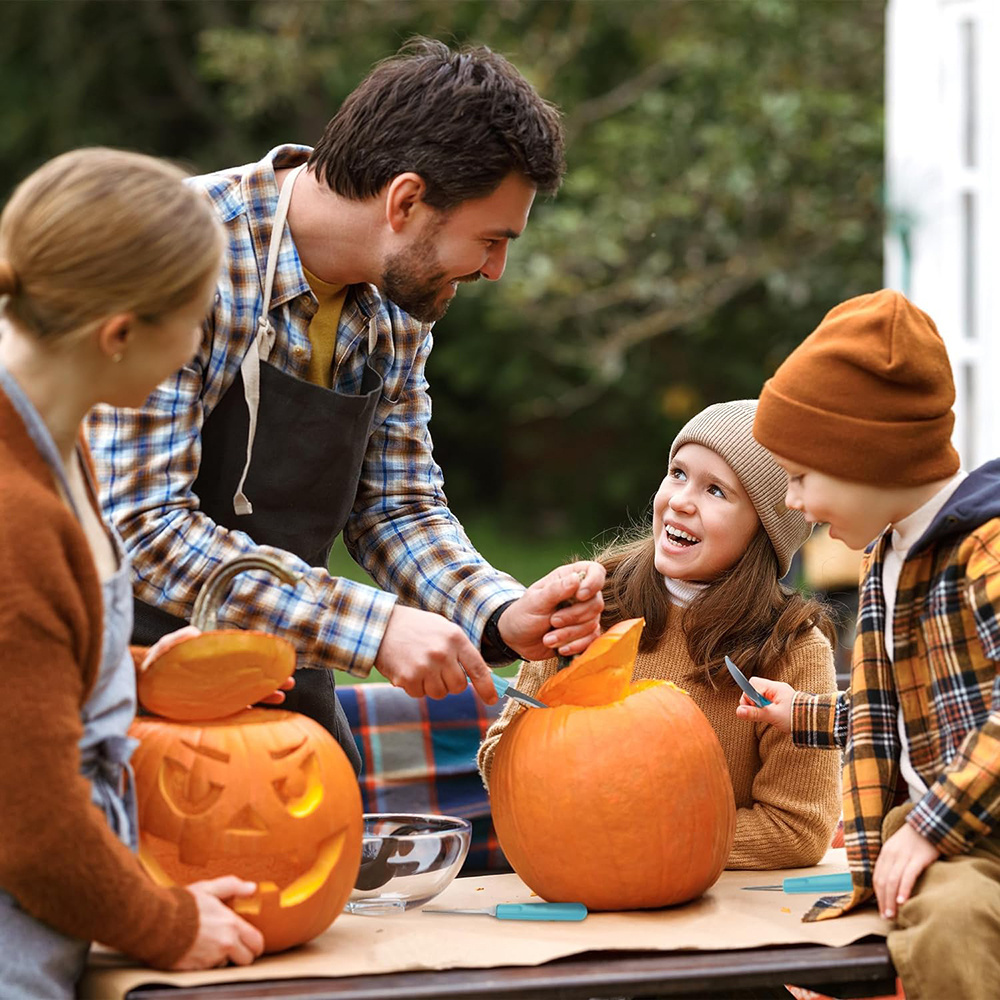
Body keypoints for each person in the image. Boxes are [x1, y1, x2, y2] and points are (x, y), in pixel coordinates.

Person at [85, 37, 604, 771]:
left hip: (283, 667)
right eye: (490, 239)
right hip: (114, 682)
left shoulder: (399, 307)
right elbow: (140, 527)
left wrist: (499, 611)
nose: (496, 269)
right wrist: (375, 626)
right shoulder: (172, 253)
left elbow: (397, 505)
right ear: (406, 200)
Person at [0, 148, 271, 997]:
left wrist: (138, 671)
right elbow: (34, 833)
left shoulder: (56, 433)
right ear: (117, 335)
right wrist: (166, 923)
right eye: (194, 322)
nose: (201, 344)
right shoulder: (13, 518)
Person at [741, 289, 1000, 1000]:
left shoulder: (986, 551)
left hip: (974, 832)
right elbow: (911, 719)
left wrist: (929, 827)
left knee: (950, 921)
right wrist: (806, 714)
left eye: (799, 477)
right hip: (950, 836)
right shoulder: (888, 555)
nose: (792, 502)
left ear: (870, 457)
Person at [479, 400, 842, 870]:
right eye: (677, 473)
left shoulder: (792, 648)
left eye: (716, 491)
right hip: (572, 883)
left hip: (712, 914)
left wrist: (642, 838)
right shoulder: (589, 603)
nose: (681, 500)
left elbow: (798, 830)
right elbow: (498, 759)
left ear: (764, 532)